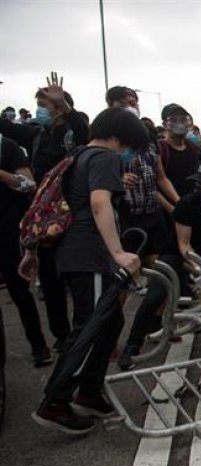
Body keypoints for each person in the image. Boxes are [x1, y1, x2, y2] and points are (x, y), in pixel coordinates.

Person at [21, 108, 148, 434]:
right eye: (131, 145)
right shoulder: (105, 158)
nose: (129, 152)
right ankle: (56, 401)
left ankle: (89, 393)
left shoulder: (79, 155)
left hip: (78, 254)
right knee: (91, 326)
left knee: (110, 321)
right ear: (119, 137)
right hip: (88, 254)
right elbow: (99, 203)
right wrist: (118, 252)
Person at [118, 160, 201, 370]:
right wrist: (199, 273)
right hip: (177, 256)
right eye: (198, 183)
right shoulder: (188, 203)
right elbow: (183, 244)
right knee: (155, 297)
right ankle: (132, 346)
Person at [0, 72, 88, 351]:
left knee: (76, 276)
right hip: (45, 216)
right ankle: (61, 335)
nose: (42, 108)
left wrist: (63, 103)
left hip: (73, 210)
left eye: (47, 103)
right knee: (49, 279)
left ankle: (82, 330)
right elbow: (5, 126)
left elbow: (84, 130)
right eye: (40, 102)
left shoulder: (75, 127)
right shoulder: (35, 134)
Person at [105, 86, 181, 266]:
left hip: (152, 212)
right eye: (123, 104)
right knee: (128, 268)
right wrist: (119, 179)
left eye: (133, 103)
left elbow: (161, 178)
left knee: (157, 264)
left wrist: (178, 202)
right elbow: (96, 178)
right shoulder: (106, 138)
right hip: (125, 215)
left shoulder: (148, 138)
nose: (131, 107)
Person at [0, 132, 50, 366]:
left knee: (19, 291)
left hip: (8, 231)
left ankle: (39, 346)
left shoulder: (6, 147)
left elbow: (28, 184)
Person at [158, 103, 201, 198]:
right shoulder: (160, 148)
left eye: (183, 119)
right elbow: (156, 183)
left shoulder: (193, 147)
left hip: (191, 204)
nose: (179, 123)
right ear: (164, 124)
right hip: (170, 207)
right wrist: (176, 207)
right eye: (174, 120)